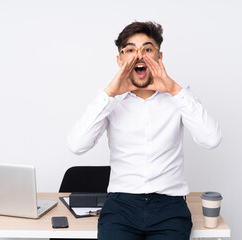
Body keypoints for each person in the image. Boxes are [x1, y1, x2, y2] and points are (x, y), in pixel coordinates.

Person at [67, 21, 221, 240]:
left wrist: (175, 90)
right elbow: (77, 145)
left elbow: (211, 139)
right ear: (120, 60)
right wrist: (110, 93)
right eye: (130, 50)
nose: (139, 56)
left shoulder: (179, 97)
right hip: (120, 207)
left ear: (159, 57)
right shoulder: (110, 100)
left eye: (147, 49)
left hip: (170, 208)